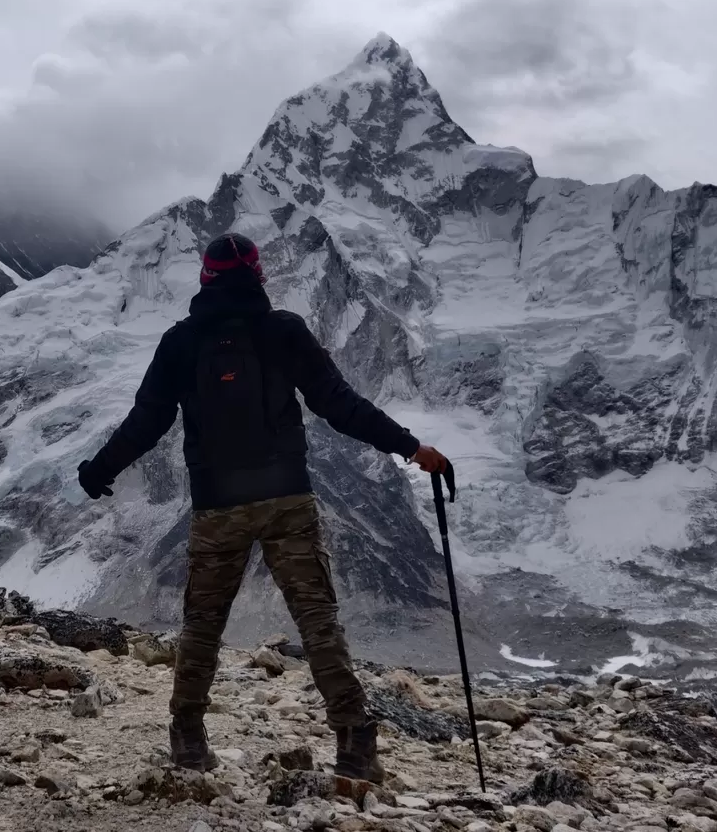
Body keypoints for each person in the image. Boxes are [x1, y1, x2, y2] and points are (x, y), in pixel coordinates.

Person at [76, 232, 450, 782]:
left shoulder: (180, 343)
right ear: (259, 275)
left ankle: (188, 736)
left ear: (204, 277)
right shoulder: (283, 331)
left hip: (217, 505)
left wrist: (98, 469)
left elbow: (147, 422)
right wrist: (410, 447)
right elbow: (339, 405)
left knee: (202, 623)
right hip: (286, 498)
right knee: (317, 619)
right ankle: (353, 741)